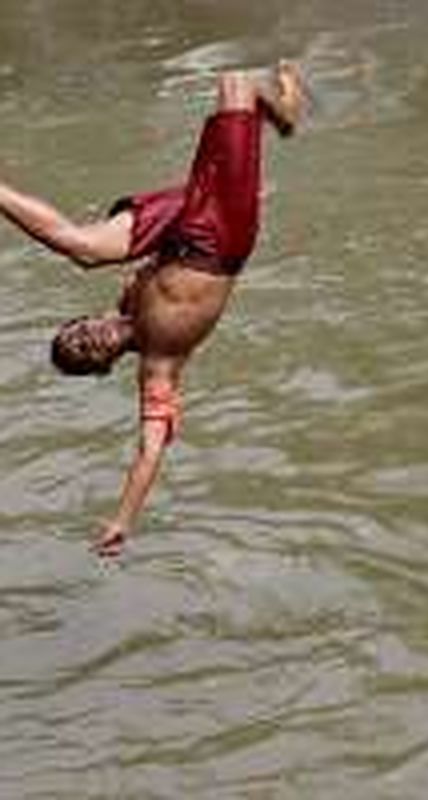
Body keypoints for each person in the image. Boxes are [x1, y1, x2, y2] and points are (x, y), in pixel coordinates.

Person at [0, 62, 306, 557]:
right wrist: (123, 520)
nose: (87, 342)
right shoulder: (159, 366)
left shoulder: (129, 297)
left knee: (80, 248)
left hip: (175, 230)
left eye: (78, 335)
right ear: (103, 366)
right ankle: (279, 113)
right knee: (237, 85)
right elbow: (149, 450)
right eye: (84, 354)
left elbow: (119, 268)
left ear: (89, 319)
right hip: (220, 236)